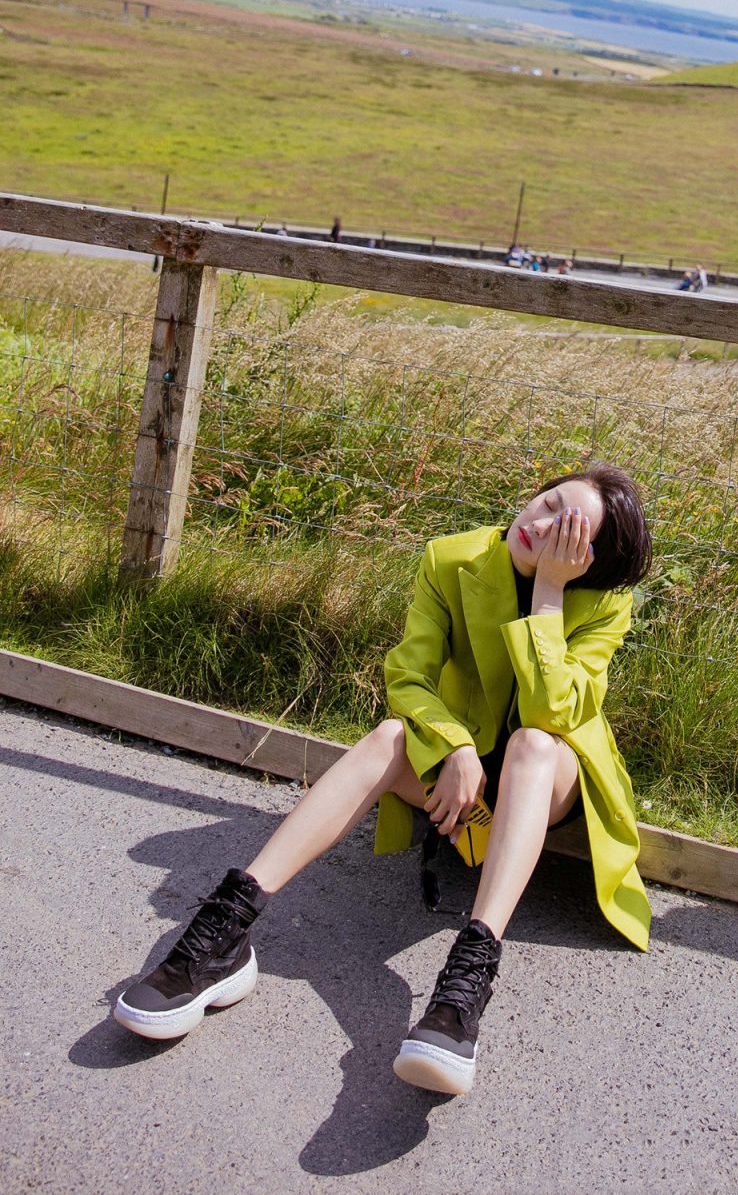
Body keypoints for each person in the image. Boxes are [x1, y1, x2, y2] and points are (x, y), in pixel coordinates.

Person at [113, 462, 653, 1096]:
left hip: (546, 789)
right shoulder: (452, 561)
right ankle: (224, 933)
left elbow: (551, 712)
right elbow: (409, 678)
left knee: (534, 744)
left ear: (589, 557)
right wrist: (453, 747)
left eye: (566, 527)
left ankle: (465, 982)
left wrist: (551, 595)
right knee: (391, 736)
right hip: (458, 787)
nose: (538, 524)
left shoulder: (604, 603)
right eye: (546, 501)